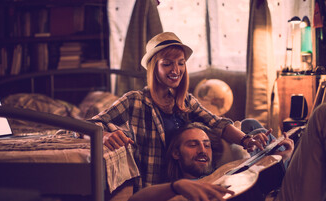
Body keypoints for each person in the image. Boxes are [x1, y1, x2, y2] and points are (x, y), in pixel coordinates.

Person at [90, 32, 270, 191]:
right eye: (167, 64)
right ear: (154, 67)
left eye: (181, 63)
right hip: (163, 188)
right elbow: (87, 127)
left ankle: (276, 172)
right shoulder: (134, 101)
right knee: (254, 140)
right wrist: (104, 135)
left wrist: (247, 140)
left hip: (200, 172)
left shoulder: (185, 101)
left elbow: (216, 123)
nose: (176, 70)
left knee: (252, 127)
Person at [126, 103, 326, 201]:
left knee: (321, 114)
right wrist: (176, 187)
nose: (203, 150)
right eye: (193, 145)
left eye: (206, 145)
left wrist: (283, 158)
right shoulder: (175, 198)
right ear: (176, 154)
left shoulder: (226, 173)